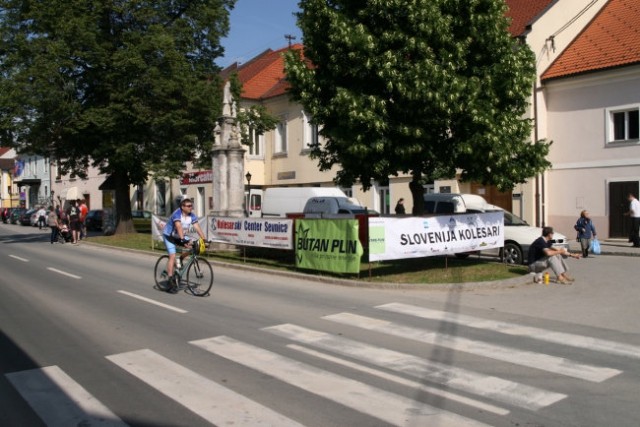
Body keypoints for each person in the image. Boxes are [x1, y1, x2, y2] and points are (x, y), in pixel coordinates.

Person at [162, 197, 207, 293]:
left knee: (193, 247)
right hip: (169, 236)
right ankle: (170, 280)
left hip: (179, 236)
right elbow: (178, 227)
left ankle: (181, 259)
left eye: (192, 206)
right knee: (172, 256)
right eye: (189, 206)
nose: (191, 207)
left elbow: (197, 228)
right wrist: (183, 239)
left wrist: (204, 239)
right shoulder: (177, 214)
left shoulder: (192, 216)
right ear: (182, 207)